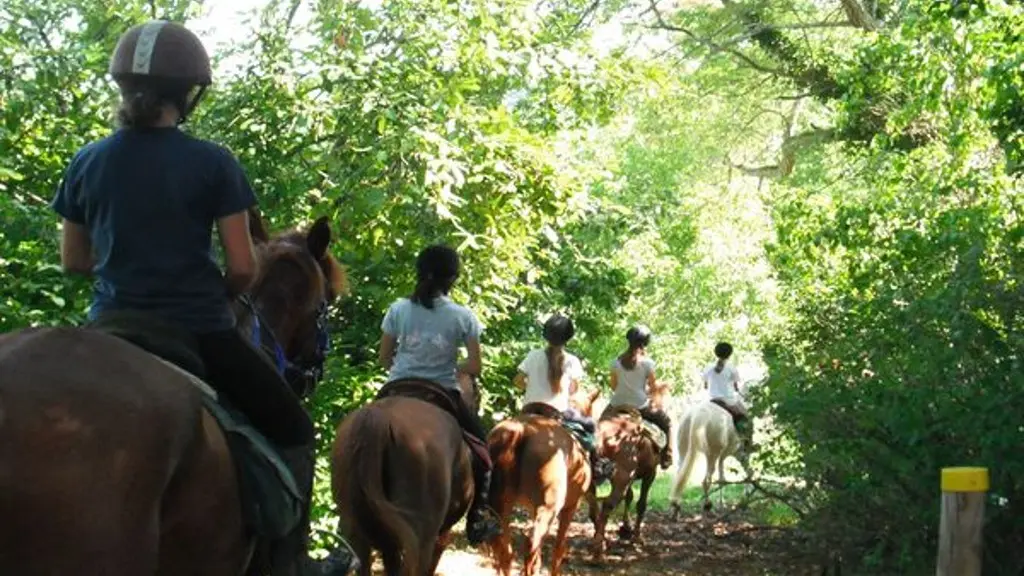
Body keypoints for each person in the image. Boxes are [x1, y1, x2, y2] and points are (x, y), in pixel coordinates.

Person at [49, 20, 349, 575]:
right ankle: (291, 565)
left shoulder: (87, 161)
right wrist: (207, 285)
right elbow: (241, 267)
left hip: (110, 326)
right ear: (187, 96)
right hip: (197, 331)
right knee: (294, 432)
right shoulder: (213, 163)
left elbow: (73, 262)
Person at [378, 244, 501, 546]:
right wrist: (447, 363)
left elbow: (384, 357)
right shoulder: (463, 316)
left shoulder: (397, 309)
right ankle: (478, 516)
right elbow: (475, 366)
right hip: (442, 391)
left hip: (397, 387)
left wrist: (410, 363)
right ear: (452, 279)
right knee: (484, 454)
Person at [514, 314, 614, 483]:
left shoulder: (532, 355)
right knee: (590, 426)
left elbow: (517, 381)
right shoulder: (572, 361)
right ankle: (597, 466)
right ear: (568, 337)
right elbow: (574, 390)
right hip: (557, 413)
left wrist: (530, 387)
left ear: (545, 335)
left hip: (529, 410)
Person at [607, 325, 673, 468]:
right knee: (667, 423)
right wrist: (654, 388)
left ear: (628, 341)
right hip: (640, 405)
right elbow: (654, 387)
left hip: (617, 404)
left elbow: (613, 386)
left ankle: (596, 458)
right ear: (645, 343)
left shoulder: (615, 363)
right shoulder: (648, 363)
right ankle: (667, 454)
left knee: (599, 424)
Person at [703, 342, 753, 447]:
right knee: (746, 418)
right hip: (728, 400)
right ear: (730, 354)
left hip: (711, 401)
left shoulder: (708, 367)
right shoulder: (731, 368)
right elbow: (735, 386)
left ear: (715, 353)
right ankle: (747, 445)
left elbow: (705, 386)